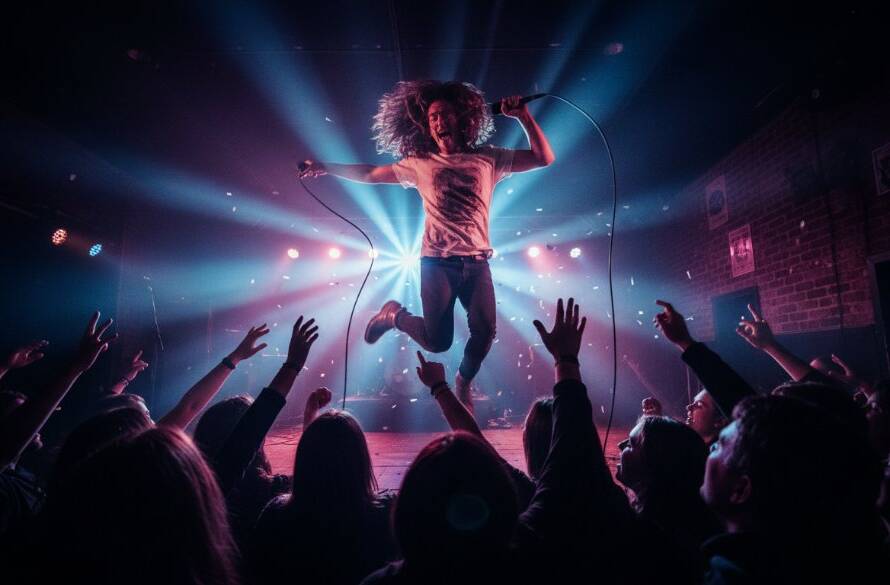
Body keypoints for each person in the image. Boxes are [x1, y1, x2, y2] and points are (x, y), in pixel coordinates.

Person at [300, 80, 555, 411]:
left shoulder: (488, 158)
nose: (439, 122)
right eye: (433, 116)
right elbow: (370, 173)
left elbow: (543, 158)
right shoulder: (421, 163)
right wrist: (325, 167)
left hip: (477, 262)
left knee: (486, 332)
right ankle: (394, 316)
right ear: (427, 126)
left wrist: (522, 116)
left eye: (446, 114)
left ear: (463, 119)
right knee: (437, 342)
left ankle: (463, 380)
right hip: (437, 262)